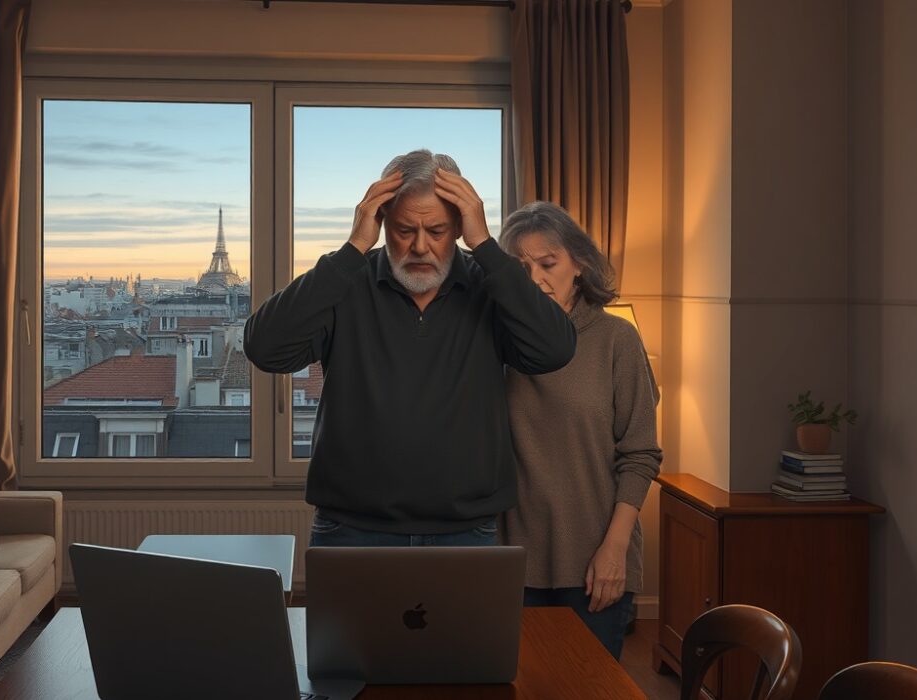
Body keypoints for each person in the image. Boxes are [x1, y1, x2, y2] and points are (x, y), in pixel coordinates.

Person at [244, 150, 576, 546]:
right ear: (381, 223)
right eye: (404, 230)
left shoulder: (492, 286)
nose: (420, 247)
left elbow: (554, 350)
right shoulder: (345, 282)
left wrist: (486, 246)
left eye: (436, 231)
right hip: (351, 528)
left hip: (466, 530)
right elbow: (264, 348)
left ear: (457, 227)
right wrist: (352, 249)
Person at [498, 201, 663, 660]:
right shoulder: (498, 341)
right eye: (521, 268)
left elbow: (641, 454)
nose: (535, 279)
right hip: (513, 559)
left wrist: (614, 550)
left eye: (548, 264)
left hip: (596, 560)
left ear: (579, 264)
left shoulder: (617, 339)